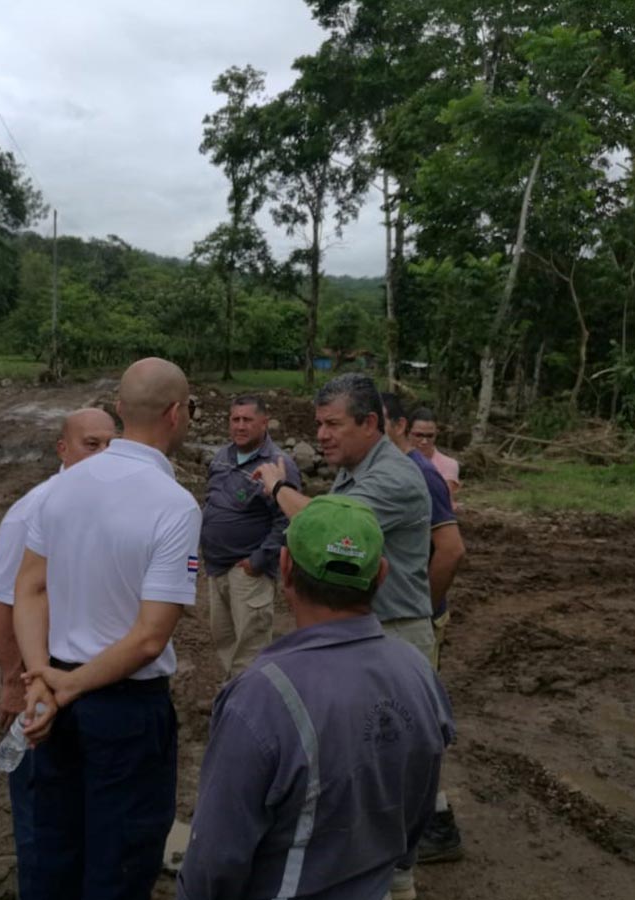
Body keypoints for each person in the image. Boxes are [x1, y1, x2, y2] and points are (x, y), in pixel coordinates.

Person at [177, 495, 455, 900]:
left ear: (285, 567)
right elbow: (415, 812)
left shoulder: (260, 696)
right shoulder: (418, 672)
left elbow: (214, 861)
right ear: (381, 574)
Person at [12, 357, 201, 900]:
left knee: (56, 847)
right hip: (123, 710)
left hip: (54, 700)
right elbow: (148, 638)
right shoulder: (175, 507)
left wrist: (42, 679)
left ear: (119, 410)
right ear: (175, 414)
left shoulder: (62, 488)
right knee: (119, 862)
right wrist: (64, 685)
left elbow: (29, 588)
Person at [254, 373, 434, 900]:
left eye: (333, 424)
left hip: (395, 636)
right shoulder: (352, 473)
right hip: (360, 634)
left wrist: (280, 488)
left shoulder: (397, 478)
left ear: (370, 423)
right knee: (351, 764)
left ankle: (397, 881)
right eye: (319, 424)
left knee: (392, 768)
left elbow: (327, 530)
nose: (323, 435)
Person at [0, 406, 117, 896]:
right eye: (90, 444)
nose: (102, 455)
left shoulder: (117, 505)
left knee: (90, 807)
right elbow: (1, 600)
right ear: (62, 448)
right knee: (42, 809)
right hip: (42, 677)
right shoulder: (34, 510)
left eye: (109, 445)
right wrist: (13, 680)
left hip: (98, 678)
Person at [382, 392, 466, 864]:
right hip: (412, 612)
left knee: (416, 722)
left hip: (419, 616)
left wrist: (424, 607)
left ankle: (437, 821)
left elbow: (451, 551)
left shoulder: (422, 475)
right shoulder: (397, 472)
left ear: (393, 426)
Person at [200, 394, 300, 677]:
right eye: (235, 419)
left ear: (264, 423)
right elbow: (212, 498)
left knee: (251, 647)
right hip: (216, 567)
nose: (240, 426)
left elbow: (287, 520)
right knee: (225, 641)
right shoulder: (222, 457)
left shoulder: (278, 464)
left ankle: (250, 705)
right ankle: (233, 693)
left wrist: (258, 561)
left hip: (248, 571)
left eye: (247, 420)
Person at [408, 407, 461, 498]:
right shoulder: (396, 461)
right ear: (407, 432)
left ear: (436, 434)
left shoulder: (448, 464)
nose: (424, 441)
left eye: (429, 436)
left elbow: (444, 500)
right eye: (418, 435)